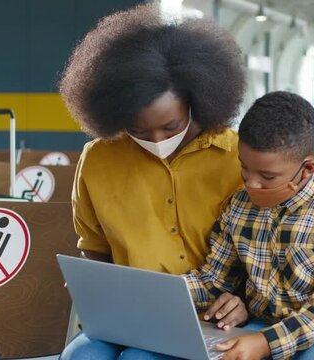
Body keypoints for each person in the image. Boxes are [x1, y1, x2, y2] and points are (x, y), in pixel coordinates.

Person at [59, 4, 246, 359]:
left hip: (212, 316)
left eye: (171, 126)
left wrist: (242, 301)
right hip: (127, 316)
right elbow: (94, 247)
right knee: (78, 357)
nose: (157, 139)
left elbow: (263, 254)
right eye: (138, 130)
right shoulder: (98, 160)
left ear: (197, 101)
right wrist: (93, 289)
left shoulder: (239, 158)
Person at [184, 91, 314, 360]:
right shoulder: (237, 206)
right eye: (244, 168)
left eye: (267, 176)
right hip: (264, 320)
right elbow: (214, 281)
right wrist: (168, 292)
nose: (251, 183)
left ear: (307, 169)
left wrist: (265, 342)